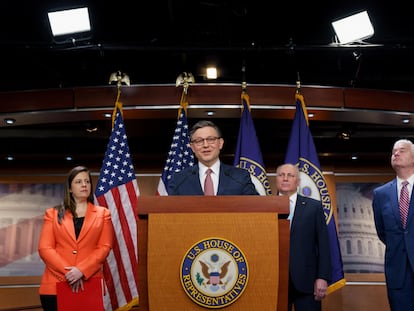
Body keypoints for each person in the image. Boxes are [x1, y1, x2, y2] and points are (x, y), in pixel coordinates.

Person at [38, 166, 114, 311]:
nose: (84, 185)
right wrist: (69, 273)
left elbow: (105, 247)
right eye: (78, 182)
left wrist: (81, 270)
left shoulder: (103, 214)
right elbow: (45, 248)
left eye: (87, 181)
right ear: (70, 188)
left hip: (89, 283)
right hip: (55, 284)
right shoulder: (52, 214)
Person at [275, 163, 331, 311]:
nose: (285, 178)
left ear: (298, 181)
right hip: (274, 280)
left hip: (307, 281)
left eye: (290, 175)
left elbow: (323, 244)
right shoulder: (265, 207)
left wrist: (322, 277)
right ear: (276, 179)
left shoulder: (314, 207)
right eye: (281, 175)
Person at [372, 139, 414, 311]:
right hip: (397, 274)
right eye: (393, 151)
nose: (396, 153)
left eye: (402, 150)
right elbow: (382, 232)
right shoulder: (381, 194)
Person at [167, 120, 258, 195]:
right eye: (199, 141)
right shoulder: (179, 180)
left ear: (220, 143)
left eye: (211, 139)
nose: (205, 145)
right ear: (192, 147)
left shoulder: (240, 177)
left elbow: (256, 207)